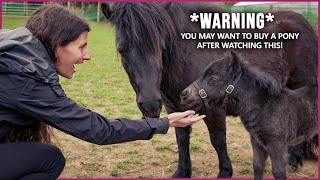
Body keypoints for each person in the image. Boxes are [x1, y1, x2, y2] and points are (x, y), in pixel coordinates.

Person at [0, 4, 205, 180]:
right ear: (57, 45)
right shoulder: (26, 80)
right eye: (81, 47)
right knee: (49, 159)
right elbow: (98, 130)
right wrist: (165, 122)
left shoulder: (13, 50)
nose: (88, 55)